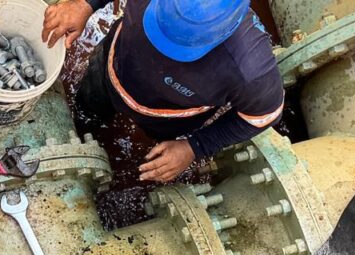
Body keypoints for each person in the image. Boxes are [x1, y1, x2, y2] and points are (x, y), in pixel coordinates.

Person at [42, 0, 284, 183]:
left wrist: (193, 147)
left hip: (167, 119)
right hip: (110, 68)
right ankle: (87, 122)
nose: (161, 53)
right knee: (86, 111)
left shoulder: (250, 69)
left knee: (145, 157)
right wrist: (85, 5)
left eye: (178, 50)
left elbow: (262, 116)